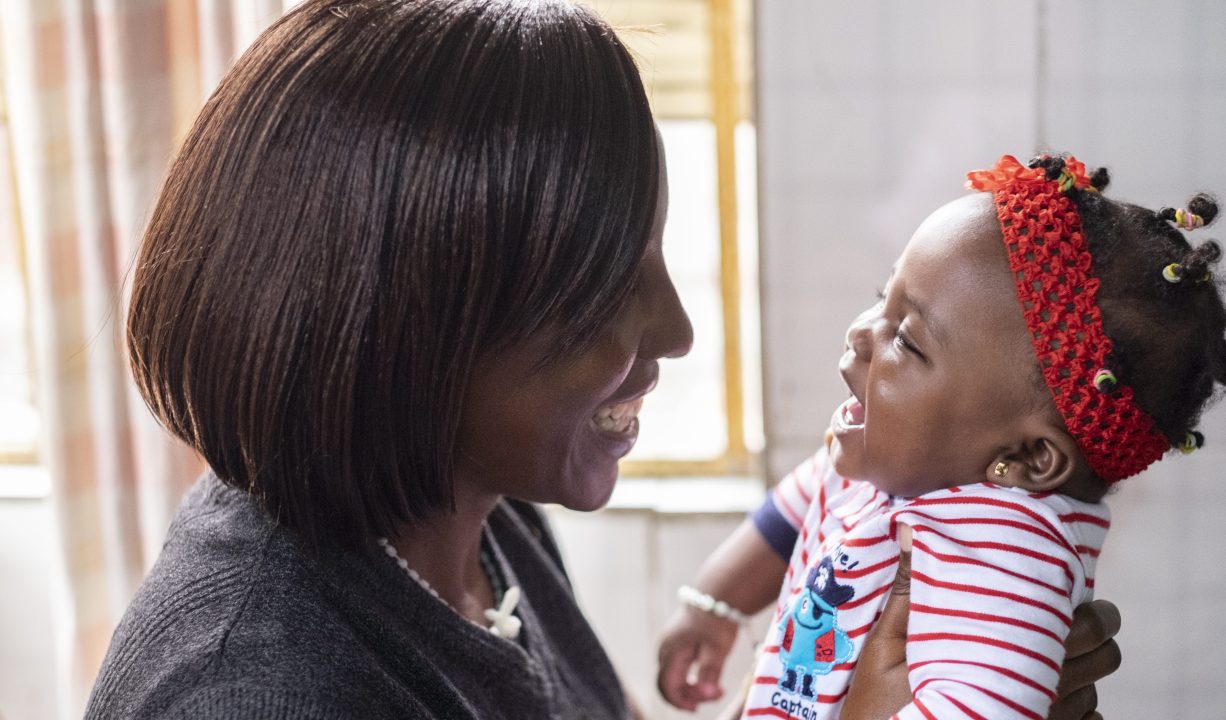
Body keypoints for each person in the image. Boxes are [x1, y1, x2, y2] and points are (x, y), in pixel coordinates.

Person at [83, 0, 1122, 716]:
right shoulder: (250, 691)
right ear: (409, 332)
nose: (676, 332)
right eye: (602, 291)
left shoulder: (467, 513)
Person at [658, 154, 1225, 719]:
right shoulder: (894, 465)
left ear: (1028, 456)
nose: (859, 332)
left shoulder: (1007, 557)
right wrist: (714, 605)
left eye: (906, 340)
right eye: (883, 297)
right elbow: (795, 505)